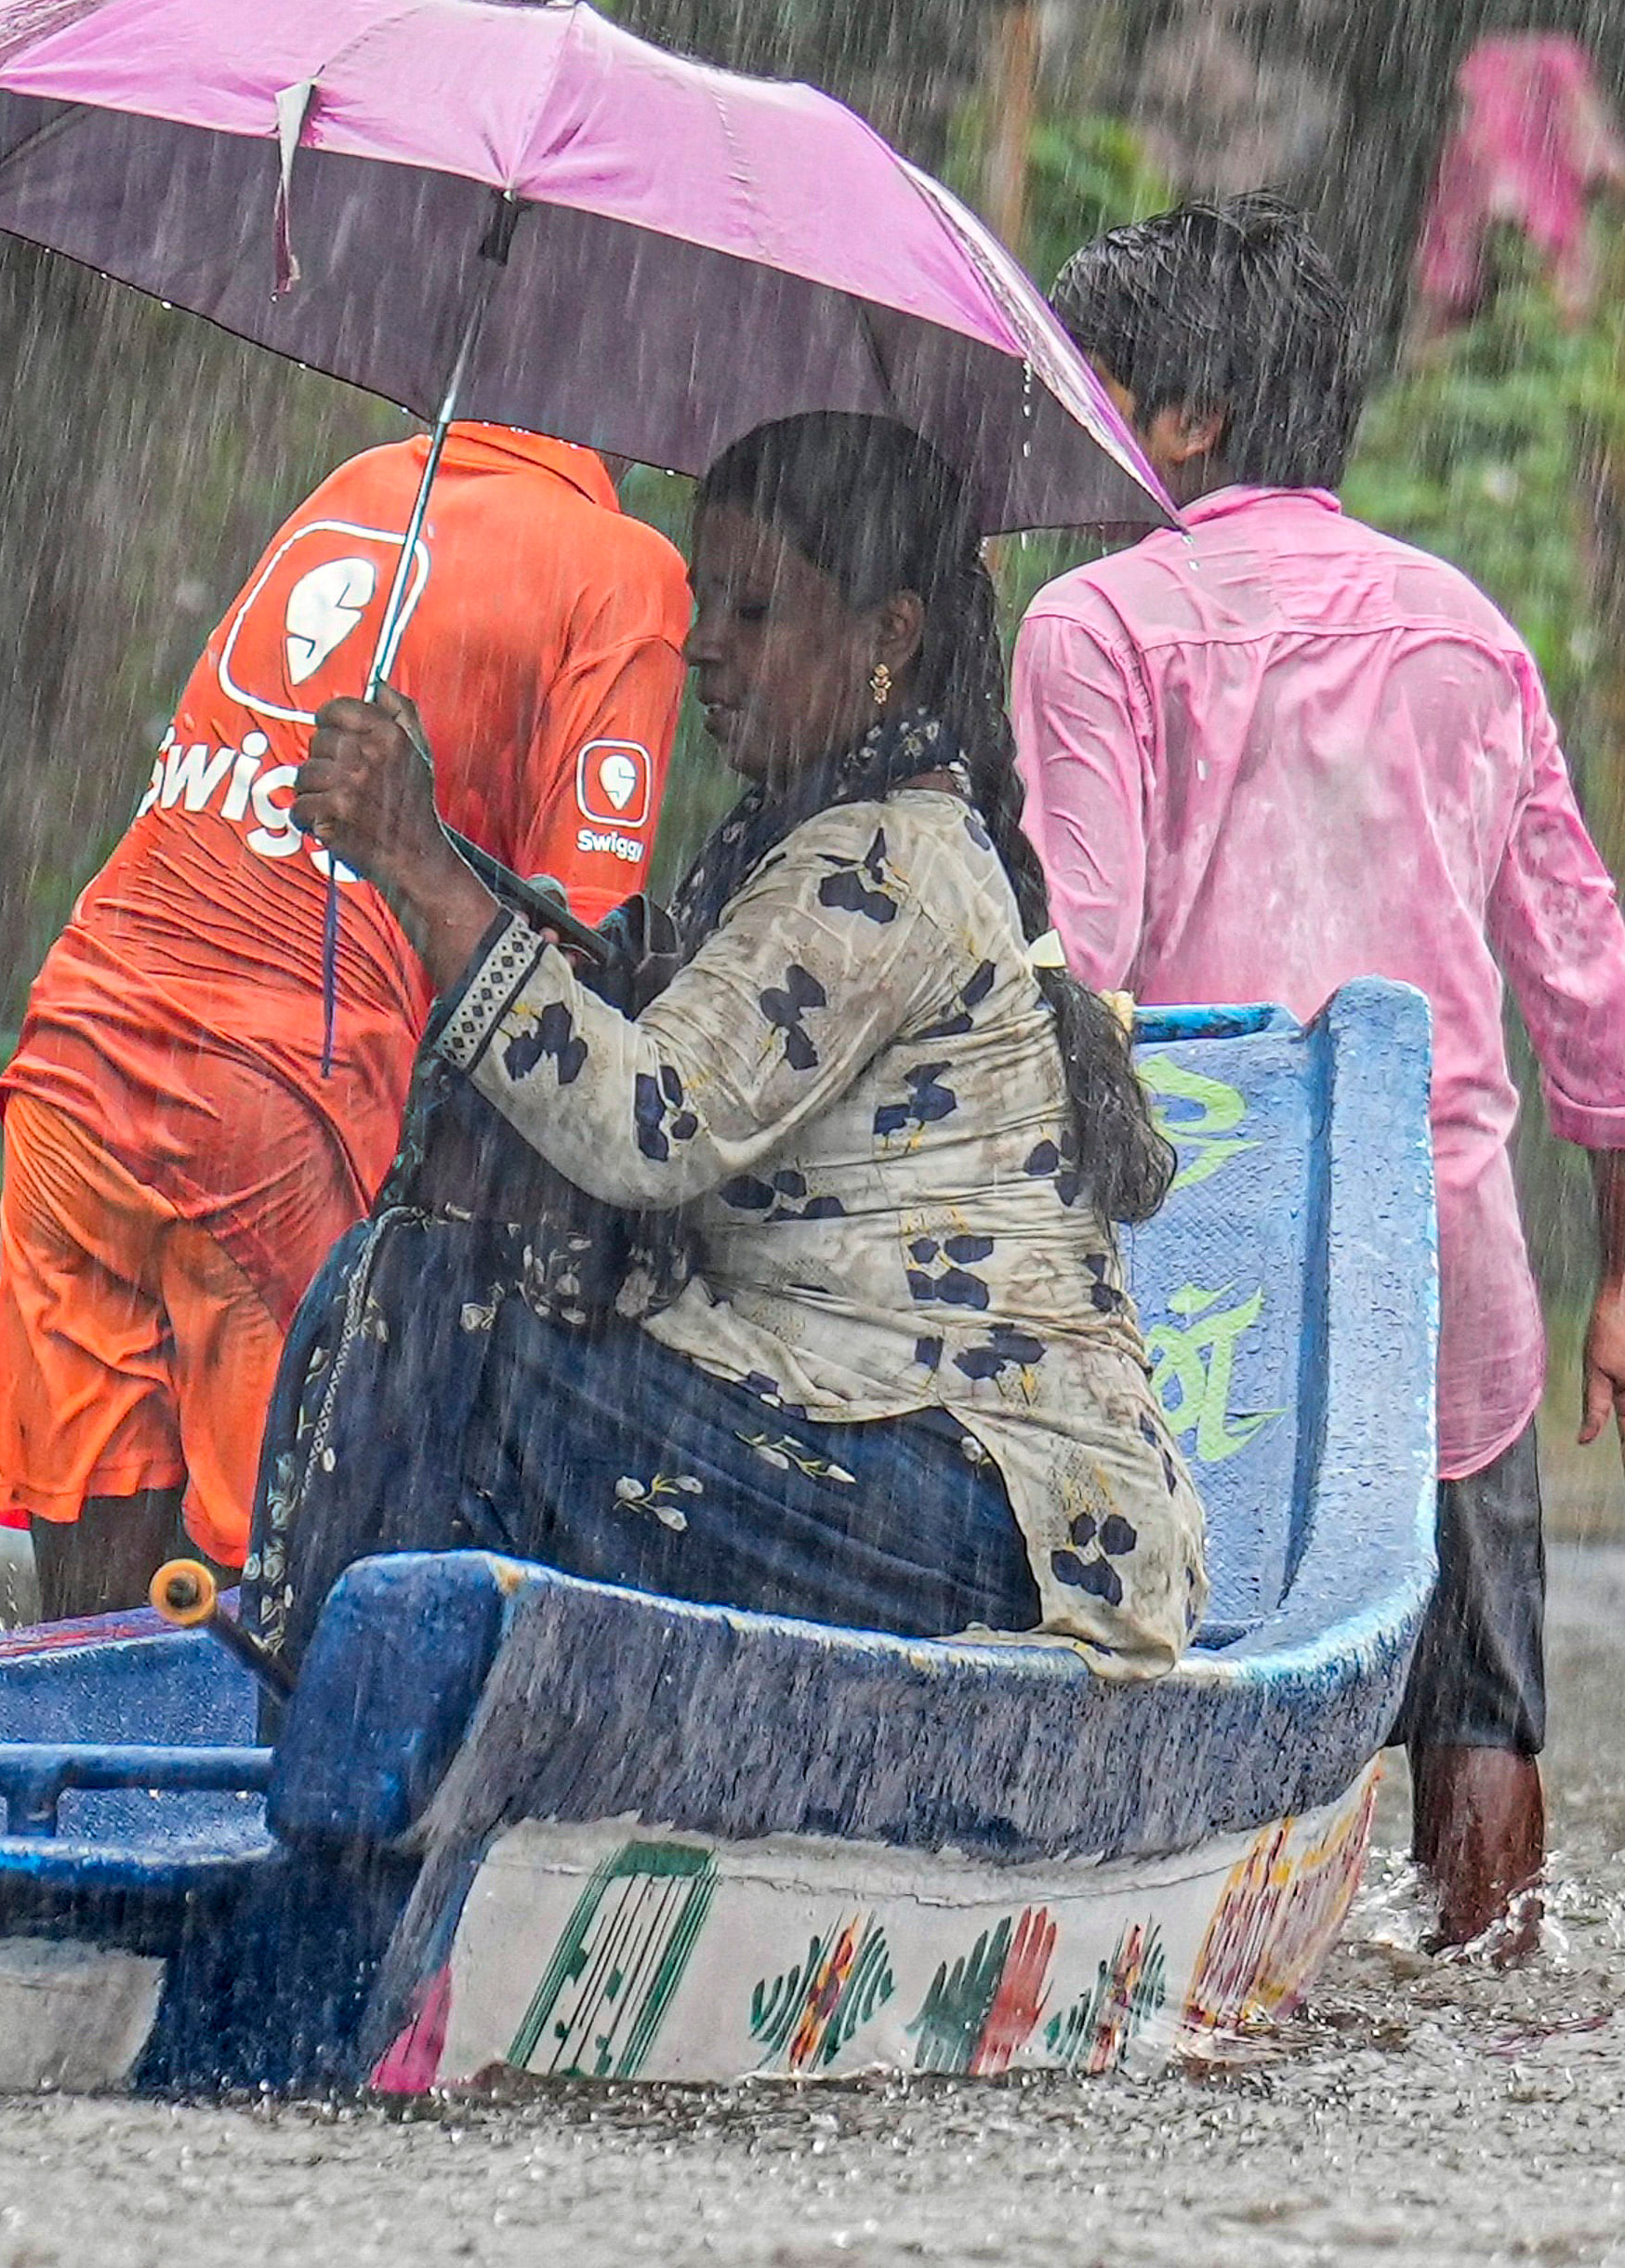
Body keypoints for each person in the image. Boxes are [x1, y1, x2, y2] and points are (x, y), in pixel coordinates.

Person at [1023, 194, 1625, 1953]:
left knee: (1164, 1693)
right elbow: (1587, 982)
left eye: (1102, 386)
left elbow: (1075, 966)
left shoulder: (1093, 630)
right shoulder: (1463, 634)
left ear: (1185, 420)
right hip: (1433, 1268)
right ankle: (1483, 2015)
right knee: (1476, 1716)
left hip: (1190, 1287)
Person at [252, 410, 1200, 1685]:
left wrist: (423, 867)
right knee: (391, 1280)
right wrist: (425, 855)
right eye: (707, 604)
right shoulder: (794, 843)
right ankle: (375, 1732)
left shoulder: (890, 863)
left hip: (998, 1518)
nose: (703, 649)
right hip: (846, 1436)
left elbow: (648, 1127)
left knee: (438, 1304)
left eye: (755, 613)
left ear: (887, 640)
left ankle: (338, 1755)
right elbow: (625, 1019)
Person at [0, 418, 688, 1616]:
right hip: (279, 1100)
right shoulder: (627, 574)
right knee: (291, 1616)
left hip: (78, 1053)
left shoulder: (356, 487)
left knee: (93, 1648)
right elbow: (579, 965)